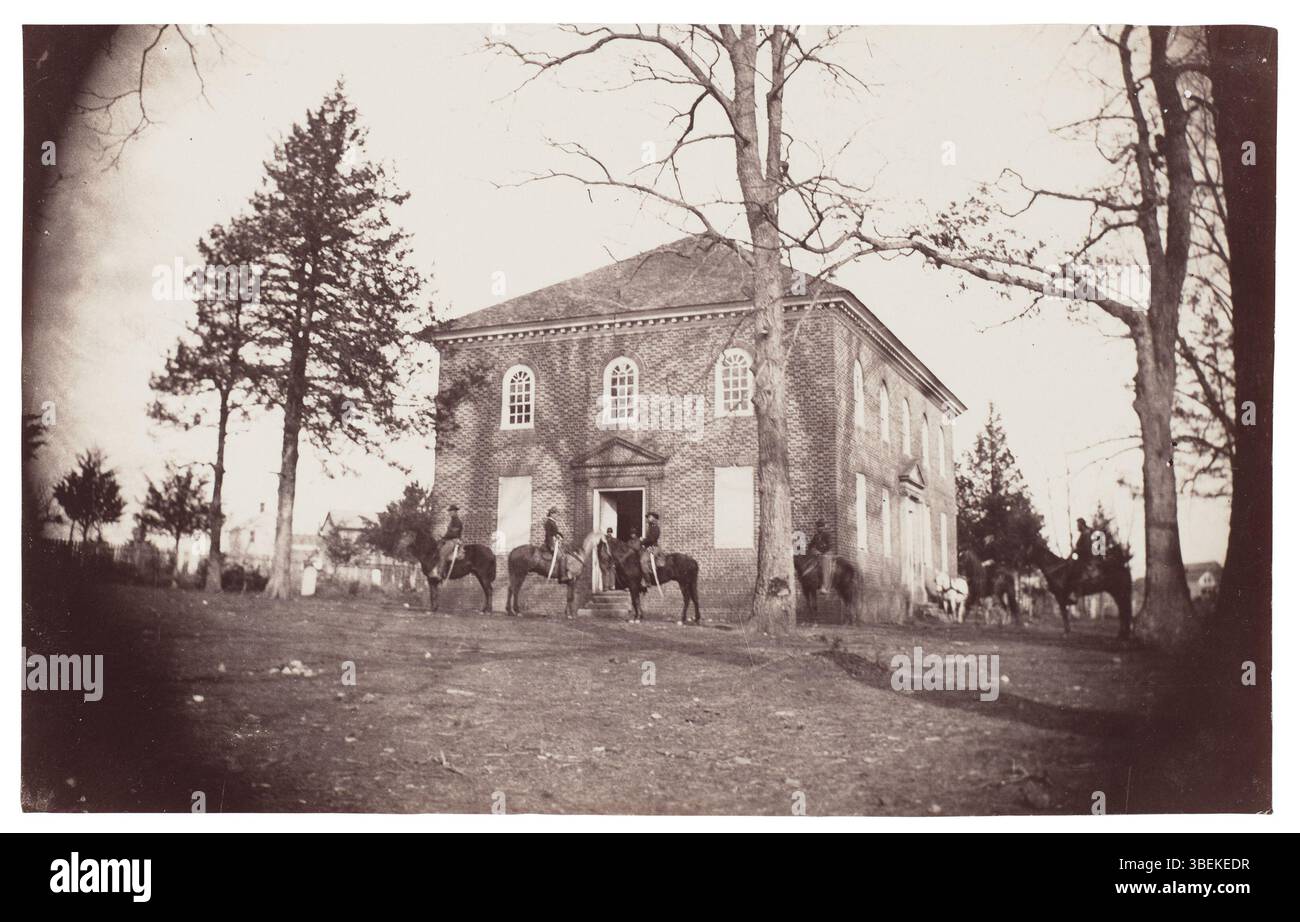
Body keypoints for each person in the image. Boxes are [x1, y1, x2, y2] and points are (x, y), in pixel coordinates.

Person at [435, 505, 464, 579]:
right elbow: (449, 533)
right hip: (449, 540)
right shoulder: (452, 521)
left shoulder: (457, 521)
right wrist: (443, 538)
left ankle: (440, 574)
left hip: (454, 541)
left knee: (442, 554)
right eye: (449, 511)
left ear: (455, 512)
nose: (450, 513)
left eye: (451, 511)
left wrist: (444, 537)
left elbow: (453, 534)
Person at [807, 519, 834, 594]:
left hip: (826, 553)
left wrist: (821, 552)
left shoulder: (827, 535)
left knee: (824, 563)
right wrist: (811, 549)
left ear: (824, 527)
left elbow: (830, 546)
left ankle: (825, 587)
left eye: (821, 526)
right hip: (817, 554)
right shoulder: (816, 536)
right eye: (818, 527)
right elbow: (811, 545)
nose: (819, 528)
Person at [543, 506, 568, 581]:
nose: (557, 515)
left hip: (554, 542)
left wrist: (560, 535)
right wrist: (551, 544)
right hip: (551, 543)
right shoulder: (548, 522)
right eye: (556, 514)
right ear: (551, 514)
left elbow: (555, 532)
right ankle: (563, 576)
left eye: (557, 514)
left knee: (564, 554)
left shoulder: (552, 522)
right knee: (562, 557)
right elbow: (549, 534)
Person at [640, 512, 664, 585]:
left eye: (650, 517)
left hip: (653, 547)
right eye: (648, 517)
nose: (648, 518)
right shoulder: (650, 527)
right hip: (649, 546)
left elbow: (652, 539)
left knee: (643, 561)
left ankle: (648, 581)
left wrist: (642, 541)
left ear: (654, 518)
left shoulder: (655, 528)